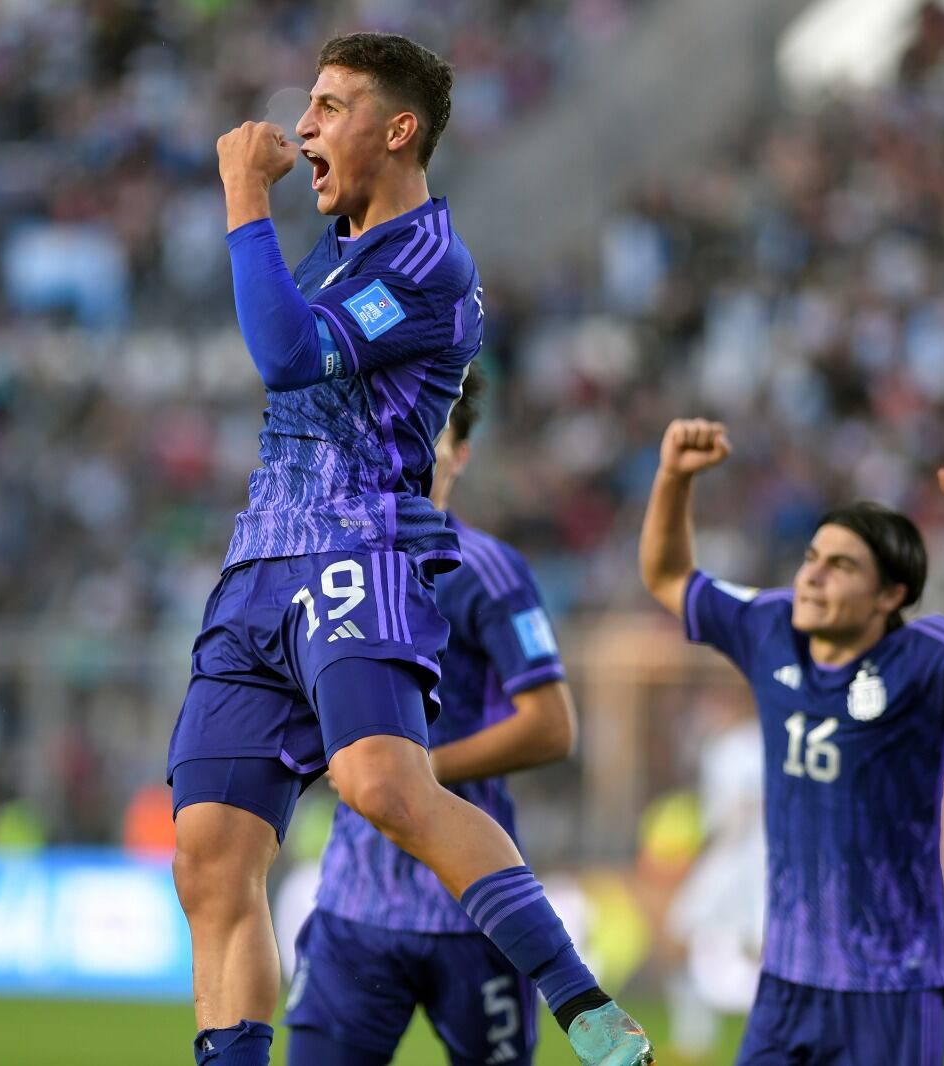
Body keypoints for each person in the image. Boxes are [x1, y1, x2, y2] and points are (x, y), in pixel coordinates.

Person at [167, 32, 651, 1066]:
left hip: (355, 552)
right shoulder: (338, 251)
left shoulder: (429, 259)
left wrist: (241, 196)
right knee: (209, 860)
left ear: (397, 130)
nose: (302, 126)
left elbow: (288, 354)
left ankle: (585, 1010)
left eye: (330, 105)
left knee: (385, 786)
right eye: (307, 102)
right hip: (258, 566)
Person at [639, 418, 944, 1065]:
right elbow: (669, 577)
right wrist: (673, 478)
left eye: (840, 567)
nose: (812, 577)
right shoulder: (770, 626)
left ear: (889, 595)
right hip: (786, 985)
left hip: (889, 990)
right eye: (812, 559)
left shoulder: (926, 661)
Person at [286, 368, 579, 1065]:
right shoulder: (332, 564)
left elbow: (553, 725)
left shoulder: (486, 570)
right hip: (353, 905)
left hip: (473, 911)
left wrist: (419, 773)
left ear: (461, 452)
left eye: (429, 428)